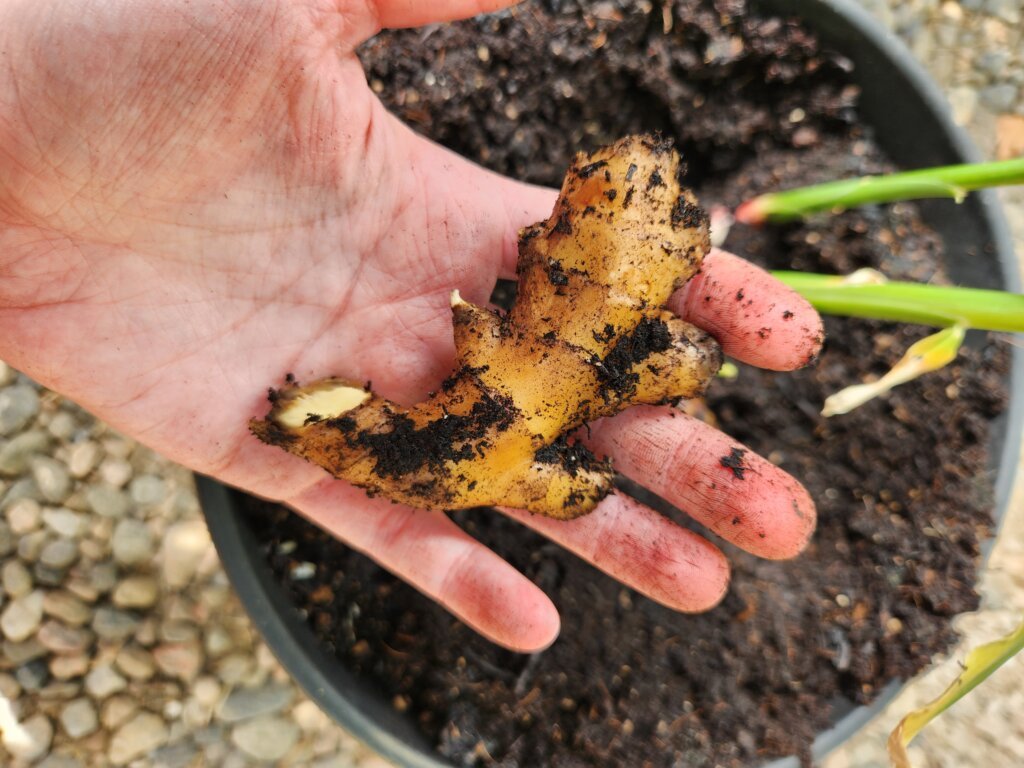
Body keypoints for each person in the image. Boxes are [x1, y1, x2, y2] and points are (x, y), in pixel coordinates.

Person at [0, 0, 824, 653]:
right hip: (495, 436)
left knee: (558, 479)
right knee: (556, 479)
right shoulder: (574, 342)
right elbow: (678, 359)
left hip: (503, 438)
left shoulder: (563, 332)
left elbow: (666, 360)